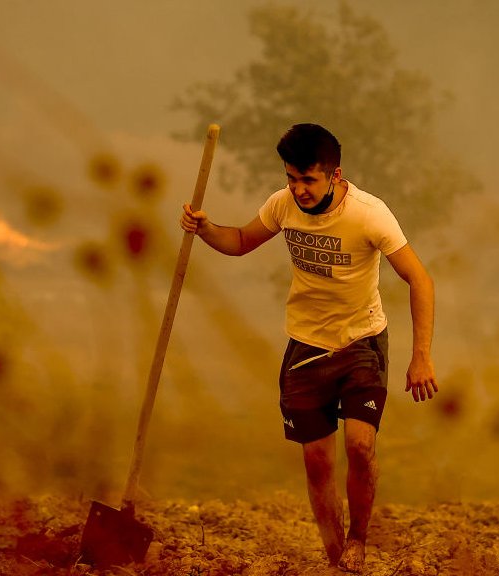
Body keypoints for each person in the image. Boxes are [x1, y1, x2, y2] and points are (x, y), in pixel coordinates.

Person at [179, 123, 438, 572]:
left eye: (308, 180)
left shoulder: (369, 214)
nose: (297, 190)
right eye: (291, 179)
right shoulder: (282, 206)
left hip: (362, 342)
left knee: (359, 446)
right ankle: (335, 555)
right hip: (306, 346)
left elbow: (420, 278)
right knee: (318, 462)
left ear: (334, 175)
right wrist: (205, 229)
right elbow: (240, 242)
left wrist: (421, 355)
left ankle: (358, 540)